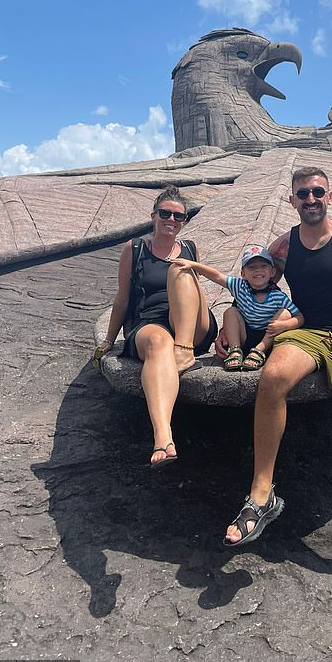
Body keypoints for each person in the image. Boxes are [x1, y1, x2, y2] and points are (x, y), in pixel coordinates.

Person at [220, 166, 332, 609]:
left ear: (330, 195)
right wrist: (229, 324)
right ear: (292, 200)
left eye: (317, 192)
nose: (310, 199)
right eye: (302, 193)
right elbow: (255, 280)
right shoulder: (284, 245)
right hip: (307, 332)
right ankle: (261, 496)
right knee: (273, 377)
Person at [93, 185, 217, 468]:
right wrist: (109, 340)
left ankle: (184, 349)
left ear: (184, 221)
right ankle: (163, 436)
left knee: (181, 270)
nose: (171, 220)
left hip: (189, 325)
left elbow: (197, 291)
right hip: (150, 322)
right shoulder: (135, 249)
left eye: (179, 216)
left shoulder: (189, 248)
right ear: (154, 215)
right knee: (159, 344)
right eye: (166, 213)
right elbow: (122, 298)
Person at [170, 244, 304, 371]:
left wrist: (284, 325)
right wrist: (193, 265)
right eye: (251, 267)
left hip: (267, 338)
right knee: (230, 311)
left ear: (272, 271)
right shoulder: (240, 287)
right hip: (245, 335)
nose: (258, 270)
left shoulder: (278, 297)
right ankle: (235, 350)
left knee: (285, 313)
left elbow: (300, 317)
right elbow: (217, 276)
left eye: (263, 266)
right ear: (243, 273)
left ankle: (259, 351)